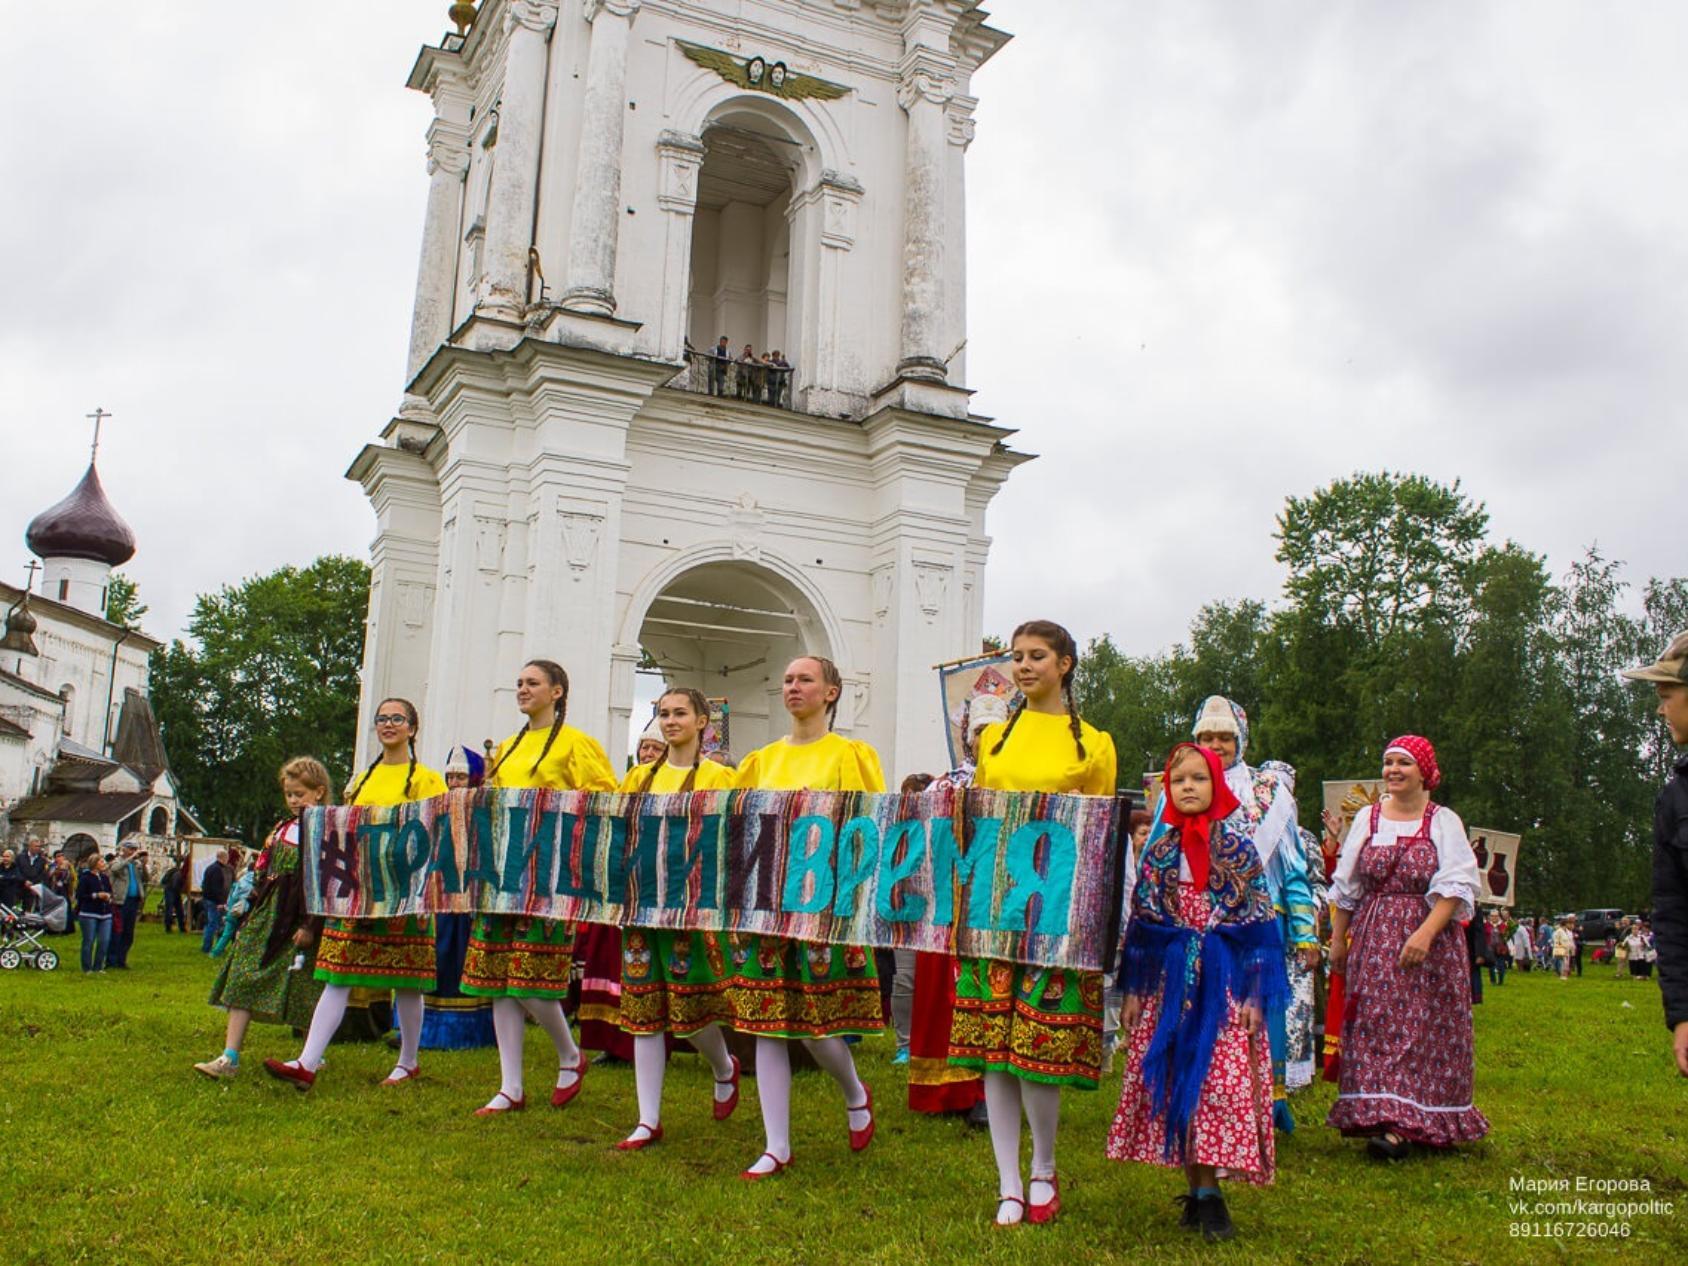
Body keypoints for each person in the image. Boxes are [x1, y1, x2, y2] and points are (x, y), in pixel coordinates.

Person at [950, 620, 1116, 1226]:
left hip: (1056, 911)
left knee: (1035, 1045)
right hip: (996, 906)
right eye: (1017, 656)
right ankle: (1007, 1180)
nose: (1024, 666)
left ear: (1065, 664)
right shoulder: (992, 743)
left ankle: (1044, 1166)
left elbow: (1099, 839)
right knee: (995, 1048)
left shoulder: (1093, 745)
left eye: (1037, 656)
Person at [1108, 743, 1286, 1243]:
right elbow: (1143, 926)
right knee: (1177, 1084)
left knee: (1216, 1085)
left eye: (1199, 779)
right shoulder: (1160, 851)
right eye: (1179, 779)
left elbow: (1257, 927)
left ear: (1218, 785)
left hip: (1223, 987)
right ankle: (1199, 1189)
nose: (1188, 787)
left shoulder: (1238, 850)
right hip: (1169, 987)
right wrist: (1135, 992)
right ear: (1167, 787)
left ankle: (1211, 1195)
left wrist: (1254, 996)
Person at [730, 654, 884, 1180]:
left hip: (821, 900)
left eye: (805, 679)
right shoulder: (761, 759)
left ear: (832, 692)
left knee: (816, 1025)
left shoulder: (849, 754)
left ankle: (854, 1091)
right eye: (788, 679)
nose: (793, 687)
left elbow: (866, 823)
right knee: (767, 1022)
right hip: (766, 899)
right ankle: (776, 1143)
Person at [264, 699, 448, 1092]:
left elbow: (435, 827)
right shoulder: (361, 779)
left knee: (409, 979)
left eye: (397, 718)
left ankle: (409, 1060)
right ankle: (308, 1061)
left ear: (413, 728)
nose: (388, 725)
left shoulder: (427, 779)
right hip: (361, 890)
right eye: (382, 719)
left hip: (405, 893)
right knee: (338, 972)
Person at [463, 659, 616, 1116]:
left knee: (530, 978)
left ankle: (569, 1054)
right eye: (519, 683)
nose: (523, 690)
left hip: (549, 875)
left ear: (557, 692)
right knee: (499, 981)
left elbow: (605, 797)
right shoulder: (507, 748)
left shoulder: (576, 744)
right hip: (503, 874)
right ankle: (510, 1085)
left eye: (533, 683)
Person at [1326, 735, 1488, 1158]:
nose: (1393, 770)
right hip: (1374, 936)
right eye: (1388, 762)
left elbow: (1457, 883)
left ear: (1424, 772)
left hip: (1429, 940)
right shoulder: (1368, 818)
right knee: (1376, 1022)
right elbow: (1348, 884)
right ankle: (1382, 1113)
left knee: (1424, 1027)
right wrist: (1338, 938)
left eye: (1403, 763)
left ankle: (1418, 1121)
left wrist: (1426, 933)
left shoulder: (1442, 820)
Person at [613, 687, 742, 1150]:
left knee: (690, 1008)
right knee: (644, 1009)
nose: (670, 721)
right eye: (664, 714)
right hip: (643, 903)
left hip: (694, 907)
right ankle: (648, 1118)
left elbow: (734, 839)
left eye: (680, 713)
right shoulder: (639, 778)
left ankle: (724, 1066)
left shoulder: (721, 778)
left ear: (702, 721)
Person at [1190, 698, 1304, 1132]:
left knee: (1259, 1013)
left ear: (1241, 740)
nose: (1215, 744)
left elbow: (1291, 866)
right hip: (1199, 919)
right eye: (1206, 737)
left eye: (1224, 737)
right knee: (1204, 1008)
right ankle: (1207, 1100)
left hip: (1258, 919)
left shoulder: (1268, 792)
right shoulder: (1181, 783)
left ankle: (1264, 1106)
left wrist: (1305, 931)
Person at [195, 758, 331, 1080]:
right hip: (268, 912)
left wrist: (310, 926)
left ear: (319, 792)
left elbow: (325, 883)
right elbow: (262, 871)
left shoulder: (327, 831)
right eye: (289, 795)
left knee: (303, 987)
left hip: (301, 916)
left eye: (300, 793)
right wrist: (246, 910)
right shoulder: (282, 828)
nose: (294, 800)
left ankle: (311, 1056)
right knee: (243, 974)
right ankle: (230, 1057)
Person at [1620, 631, 1688, 1077]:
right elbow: (1674, 912)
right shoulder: (1676, 798)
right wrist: (1683, 1017)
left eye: (1667, 695)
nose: (1660, 709)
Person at [419, 745, 496, 1051]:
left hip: (469, 899)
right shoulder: (437, 807)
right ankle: (427, 1030)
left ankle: (467, 1032)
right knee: (436, 959)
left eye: (461, 777)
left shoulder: (484, 812)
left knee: (464, 960)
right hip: (440, 895)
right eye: (450, 777)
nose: (453, 783)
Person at [106, 841, 149, 969]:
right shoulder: (117, 861)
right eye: (131, 849)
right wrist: (129, 859)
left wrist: (144, 865)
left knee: (128, 933)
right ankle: (111, 960)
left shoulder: (136, 865)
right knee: (117, 931)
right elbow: (114, 869)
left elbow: (146, 879)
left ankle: (122, 959)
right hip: (120, 901)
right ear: (123, 849)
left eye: (135, 849)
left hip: (133, 900)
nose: (133, 852)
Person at [76, 854, 114, 972]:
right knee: (89, 940)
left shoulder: (105, 878)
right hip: (89, 913)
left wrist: (109, 897)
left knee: (104, 940)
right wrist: (96, 895)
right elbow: (80, 896)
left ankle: (98, 966)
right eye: (101, 862)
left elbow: (109, 891)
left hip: (105, 913)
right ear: (95, 863)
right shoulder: (85, 878)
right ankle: (87, 967)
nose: (104, 864)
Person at [200, 849, 231, 954]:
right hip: (214, 901)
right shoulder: (218, 870)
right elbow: (216, 888)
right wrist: (220, 902)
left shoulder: (209, 868)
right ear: (223, 858)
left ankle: (207, 946)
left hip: (207, 899)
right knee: (214, 924)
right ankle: (208, 947)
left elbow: (204, 884)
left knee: (209, 923)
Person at [160, 854, 189, 933]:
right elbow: (175, 885)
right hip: (171, 890)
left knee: (178, 909)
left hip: (172, 889)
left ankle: (178, 927)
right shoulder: (180, 875)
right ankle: (169, 927)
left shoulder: (179, 873)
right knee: (171, 908)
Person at [17, 838, 48, 912]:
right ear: (30, 846)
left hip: (32, 889)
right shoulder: (20, 857)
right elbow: (17, 871)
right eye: (36, 846)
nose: (38, 848)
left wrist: (33, 883)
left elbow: (42, 874)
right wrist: (24, 881)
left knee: (28, 910)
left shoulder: (42, 861)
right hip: (19, 887)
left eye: (39, 846)